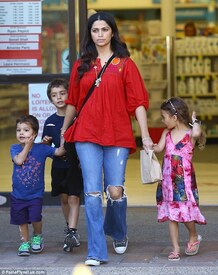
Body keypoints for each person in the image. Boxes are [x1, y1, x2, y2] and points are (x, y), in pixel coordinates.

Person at [61, 11, 153, 266]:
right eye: (95, 30)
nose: (100, 35)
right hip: (87, 134)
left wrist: (145, 135)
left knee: (114, 190)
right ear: (89, 34)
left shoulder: (125, 64)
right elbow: (72, 101)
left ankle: (119, 231)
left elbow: (138, 103)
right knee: (91, 192)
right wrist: (63, 131)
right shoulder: (81, 65)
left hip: (118, 133)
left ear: (112, 32)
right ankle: (96, 251)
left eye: (104, 29)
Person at [153, 97, 206, 261]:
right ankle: (175, 248)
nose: (162, 121)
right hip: (168, 183)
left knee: (186, 215)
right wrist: (149, 146)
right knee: (172, 216)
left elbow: (197, 132)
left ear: (174, 118)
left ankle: (193, 235)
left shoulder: (190, 134)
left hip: (185, 183)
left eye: (164, 117)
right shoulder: (166, 133)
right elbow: (159, 148)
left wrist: (195, 121)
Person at [10, 115, 65, 256]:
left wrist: (63, 137)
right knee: (21, 221)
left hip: (35, 195)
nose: (21, 133)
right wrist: (28, 145)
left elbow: (59, 152)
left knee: (35, 218)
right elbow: (19, 161)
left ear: (34, 134)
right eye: (18, 130)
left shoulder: (42, 149)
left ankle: (37, 235)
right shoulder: (14, 149)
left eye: (26, 130)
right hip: (18, 195)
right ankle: (24, 242)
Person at [42, 78, 83, 252]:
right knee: (64, 198)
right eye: (54, 95)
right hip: (58, 167)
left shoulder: (77, 117)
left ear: (69, 94)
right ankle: (69, 228)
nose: (59, 97)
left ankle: (72, 232)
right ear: (50, 99)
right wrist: (47, 145)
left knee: (74, 197)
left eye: (62, 93)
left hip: (75, 165)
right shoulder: (50, 122)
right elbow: (48, 148)